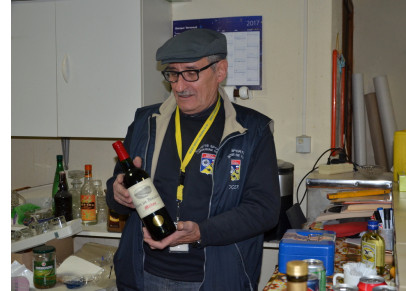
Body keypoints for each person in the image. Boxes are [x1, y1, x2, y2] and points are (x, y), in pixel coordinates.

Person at [106, 28, 280, 291]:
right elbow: (116, 195)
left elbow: (264, 210)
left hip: (217, 280)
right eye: (173, 74)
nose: (179, 85)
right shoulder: (145, 123)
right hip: (144, 275)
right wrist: (117, 192)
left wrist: (202, 231)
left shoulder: (252, 131)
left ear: (220, 71)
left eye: (191, 73)